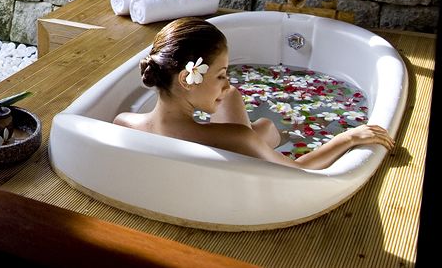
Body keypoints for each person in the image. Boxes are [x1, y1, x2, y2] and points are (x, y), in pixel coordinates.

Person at [112, 16, 394, 169]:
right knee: (264, 126)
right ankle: (269, 132)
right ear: (187, 78)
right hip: (244, 148)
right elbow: (300, 172)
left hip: (207, 137)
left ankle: (267, 131)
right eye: (221, 75)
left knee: (232, 97)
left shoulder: (123, 123)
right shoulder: (239, 137)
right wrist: (348, 137)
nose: (226, 82)